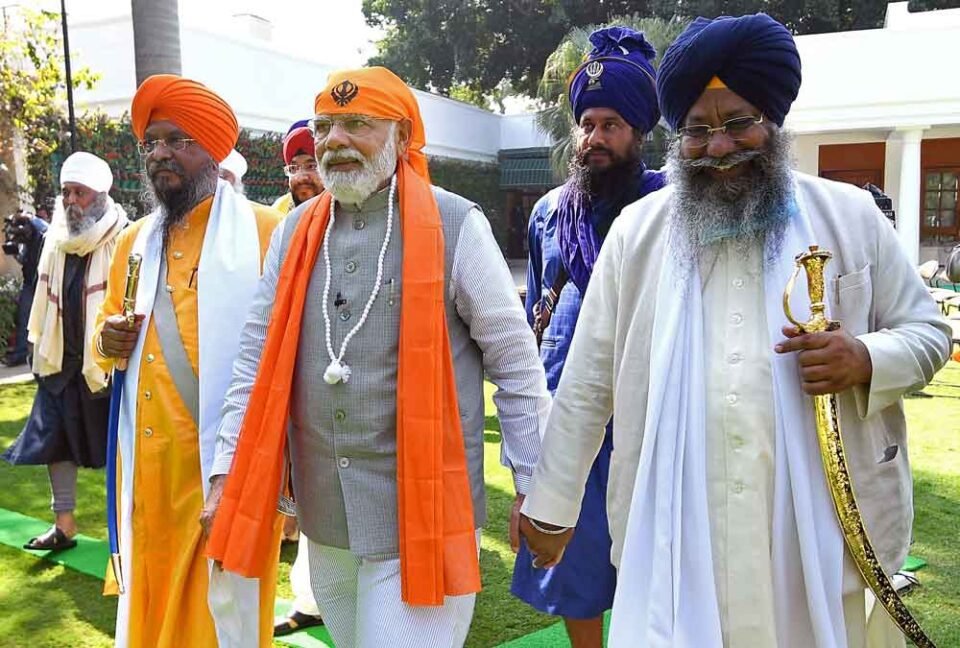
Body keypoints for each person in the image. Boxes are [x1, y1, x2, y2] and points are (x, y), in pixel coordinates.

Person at [519, 13, 951, 648]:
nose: (718, 146)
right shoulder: (638, 233)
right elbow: (586, 382)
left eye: (738, 122)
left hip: (810, 528)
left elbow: (928, 332)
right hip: (674, 523)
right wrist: (552, 503)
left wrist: (865, 357)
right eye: (697, 129)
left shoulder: (849, 216)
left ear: (771, 121)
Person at [206, 66, 550, 648]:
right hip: (324, 514)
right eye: (324, 127)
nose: (335, 141)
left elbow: (515, 364)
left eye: (357, 125)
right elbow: (254, 360)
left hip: (422, 514)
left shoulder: (456, 222)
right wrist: (225, 475)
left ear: (402, 135)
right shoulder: (294, 232)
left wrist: (533, 485)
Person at [92, 74, 283, 648]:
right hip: (146, 474)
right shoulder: (133, 243)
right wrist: (108, 341)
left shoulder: (266, 231)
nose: (161, 153)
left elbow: (284, 357)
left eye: (178, 140)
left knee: (217, 619)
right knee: (149, 614)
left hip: (223, 473)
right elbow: (102, 337)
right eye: (152, 142)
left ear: (213, 149)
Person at [511, 26, 665, 648]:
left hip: (640, 410)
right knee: (571, 562)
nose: (594, 138)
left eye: (611, 125)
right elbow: (536, 312)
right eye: (587, 124)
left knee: (642, 555)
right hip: (564, 407)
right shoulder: (551, 211)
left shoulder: (666, 207)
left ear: (639, 132)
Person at [3, 152, 128, 550]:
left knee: (121, 449)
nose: (71, 201)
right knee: (56, 441)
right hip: (60, 359)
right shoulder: (56, 241)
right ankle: (64, 525)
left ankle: (127, 534)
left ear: (100, 197)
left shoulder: (124, 237)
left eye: (80, 193)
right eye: (66, 192)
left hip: (104, 363)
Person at [269, 120, 327, 638]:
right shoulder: (279, 228)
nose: (303, 175)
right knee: (307, 496)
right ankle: (310, 600)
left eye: (312, 164)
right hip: (297, 386)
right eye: (295, 166)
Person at [3, 208, 48, 366]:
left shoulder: (42, 231)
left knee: (46, 318)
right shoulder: (27, 238)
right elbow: (24, 259)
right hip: (30, 281)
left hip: (44, 281)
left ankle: (46, 353)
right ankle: (21, 353)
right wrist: (15, 252)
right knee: (23, 317)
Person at [271, 122, 324, 215]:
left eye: (311, 166)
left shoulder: (345, 214)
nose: (301, 177)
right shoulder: (279, 210)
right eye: (293, 168)